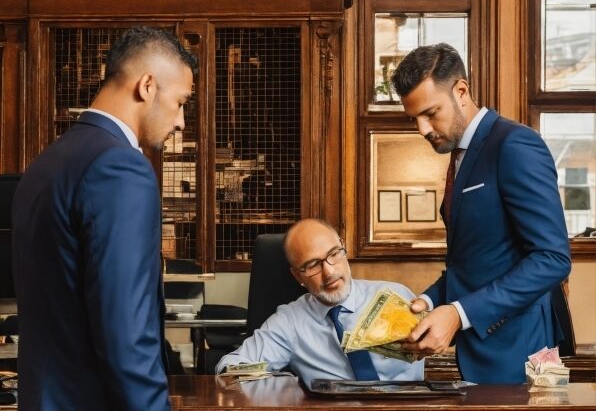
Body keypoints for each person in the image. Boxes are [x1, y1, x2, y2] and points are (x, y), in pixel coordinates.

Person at [11, 27, 197, 410]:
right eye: (181, 102)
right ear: (147, 86)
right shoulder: (120, 167)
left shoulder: (47, 162)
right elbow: (126, 332)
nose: (180, 121)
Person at [391, 43, 571, 384]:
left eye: (430, 113)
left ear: (461, 91)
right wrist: (428, 301)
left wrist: (459, 314)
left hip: (522, 354)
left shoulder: (515, 144)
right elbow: (475, 261)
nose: (422, 129)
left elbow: (552, 258)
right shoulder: (459, 157)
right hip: (480, 356)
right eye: (414, 118)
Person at [216, 218, 424, 387]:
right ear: (298, 276)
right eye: (313, 265)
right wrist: (283, 387)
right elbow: (229, 367)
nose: (329, 272)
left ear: (343, 248)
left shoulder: (395, 296)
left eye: (333, 254)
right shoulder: (289, 322)